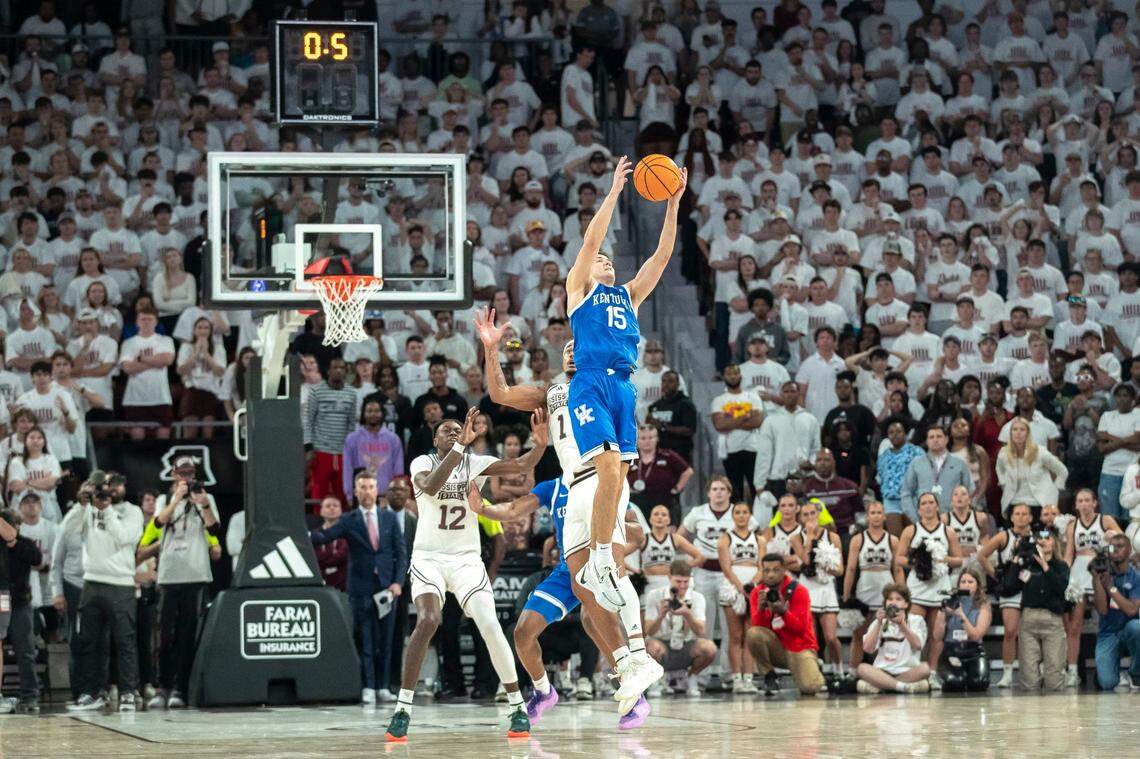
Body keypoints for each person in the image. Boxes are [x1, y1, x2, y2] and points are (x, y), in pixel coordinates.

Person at [475, 312, 664, 707]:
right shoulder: (552, 390)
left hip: (602, 476)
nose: (574, 352)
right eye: (568, 348)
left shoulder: (605, 383)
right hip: (573, 484)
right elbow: (500, 394)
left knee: (609, 568)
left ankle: (636, 655)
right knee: (584, 584)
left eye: (581, 346)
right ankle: (624, 665)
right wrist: (491, 348)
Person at [563, 155, 686, 609]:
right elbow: (592, 238)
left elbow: (662, 257)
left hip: (623, 387)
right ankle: (599, 558)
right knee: (610, 469)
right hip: (591, 381)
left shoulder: (628, 295)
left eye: (609, 260)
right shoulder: (580, 288)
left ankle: (601, 551)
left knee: (619, 478)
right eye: (599, 260)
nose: (605, 261)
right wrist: (614, 191)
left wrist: (672, 206)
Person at [385, 408, 548, 742]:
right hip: (429, 556)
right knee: (429, 620)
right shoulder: (422, 463)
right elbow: (430, 488)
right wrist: (459, 447)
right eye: (446, 430)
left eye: (458, 429)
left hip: (466, 558)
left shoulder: (476, 463)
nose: (454, 433)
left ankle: (517, 705)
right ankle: (403, 709)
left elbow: (522, 465)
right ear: (434, 439)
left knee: (489, 623)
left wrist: (541, 445)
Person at [470, 479, 650, 728]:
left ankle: (636, 697)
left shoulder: (606, 480)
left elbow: (639, 534)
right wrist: (483, 509)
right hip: (566, 572)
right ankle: (544, 691)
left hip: (596, 568)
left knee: (593, 623)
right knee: (522, 632)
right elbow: (512, 510)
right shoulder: (553, 487)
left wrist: (607, 521)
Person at [312, 471, 408, 706]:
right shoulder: (349, 519)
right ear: (355, 492)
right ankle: (368, 685)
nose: (367, 491)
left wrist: (398, 582)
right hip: (361, 588)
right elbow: (324, 536)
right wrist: (299, 533)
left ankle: (384, 686)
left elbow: (401, 553)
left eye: (371, 487)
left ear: (377, 490)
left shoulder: (389, 518)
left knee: (386, 641)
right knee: (365, 639)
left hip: (387, 589)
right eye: (363, 487)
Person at [140, 458, 222, 710]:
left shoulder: (204, 498)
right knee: (164, 635)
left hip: (195, 574)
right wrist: (176, 499)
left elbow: (214, 528)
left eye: (190, 474)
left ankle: (180, 688)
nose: (186, 478)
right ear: (174, 475)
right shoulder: (165, 501)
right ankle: (162, 686)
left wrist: (203, 503)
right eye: (182, 474)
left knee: (187, 636)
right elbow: (156, 524)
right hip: (169, 575)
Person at [65, 471, 145, 712]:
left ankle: (128, 692)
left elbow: (124, 538)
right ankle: (91, 692)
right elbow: (68, 532)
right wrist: (81, 506)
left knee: (125, 641)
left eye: (116, 485)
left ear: (123, 488)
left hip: (120, 583)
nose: (110, 490)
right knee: (89, 641)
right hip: (92, 581)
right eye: (106, 485)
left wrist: (106, 510)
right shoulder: (88, 508)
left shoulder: (133, 512)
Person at [893, 491, 962, 685]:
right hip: (918, 588)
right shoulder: (910, 530)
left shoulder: (948, 531)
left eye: (931, 502)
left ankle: (931, 673)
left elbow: (958, 560)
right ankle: (912, 671)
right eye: (924, 503)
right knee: (913, 630)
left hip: (940, 587)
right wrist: (917, 561)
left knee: (936, 634)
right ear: (919, 508)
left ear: (938, 506)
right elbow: (898, 558)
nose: (928, 506)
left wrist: (941, 559)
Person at [1062, 489, 1122, 686]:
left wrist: (1111, 541)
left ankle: (1112, 668)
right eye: (1080, 500)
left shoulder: (1105, 520)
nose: (1084, 504)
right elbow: (1069, 554)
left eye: (1088, 500)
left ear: (1095, 503)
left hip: (1100, 569)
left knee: (1106, 622)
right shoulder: (1073, 526)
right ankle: (1072, 671)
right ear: (1076, 505)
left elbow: (1122, 545)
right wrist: (1063, 575)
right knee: (1075, 624)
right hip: (1079, 572)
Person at [746, 553, 825, 696]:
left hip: (799, 646)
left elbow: (800, 629)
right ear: (761, 572)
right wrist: (761, 609)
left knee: (810, 688)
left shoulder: (799, 591)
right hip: (777, 648)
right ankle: (769, 675)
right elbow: (758, 627)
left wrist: (783, 612)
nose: (770, 575)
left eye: (775, 570)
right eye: (766, 571)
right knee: (753, 633)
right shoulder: (757, 593)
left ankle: (814, 665)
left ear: (784, 570)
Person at [643, 559, 717, 697]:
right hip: (662, 645)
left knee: (709, 648)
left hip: (686, 645)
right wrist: (661, 615)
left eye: (686, 582)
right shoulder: (655, 595)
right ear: (669, 577)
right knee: (649, 647)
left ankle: (692, 677)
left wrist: (687, 614)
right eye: (678, 581)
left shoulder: (697, 597)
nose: (682, 586)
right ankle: (656, 680)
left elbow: (701, 632)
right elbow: (649, 631)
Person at [716, 502, 764, 693]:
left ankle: (749, 678)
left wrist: (751, 586)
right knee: (735, 636)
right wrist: (740, 588)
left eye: (745, 512)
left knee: (750, 636)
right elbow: (726, 568)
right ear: (733, 515)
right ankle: (737, 679)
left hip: (752, 588)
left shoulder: (759, 540)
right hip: (732, 588)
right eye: (738, 512)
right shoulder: (725, 539)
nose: (742, 516)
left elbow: (762, 567)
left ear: (750, 515)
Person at [792, 499, 844, 675]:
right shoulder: (796, 538)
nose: (809, 518)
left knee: (831, 637)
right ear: (800, 518)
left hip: (826, 588)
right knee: (810, 637)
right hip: (807, 588)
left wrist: (826, 565)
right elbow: (806, 561)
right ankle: (813, 673)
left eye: (812, 513)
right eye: (805, 515)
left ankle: (839, 671)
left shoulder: (833, 537)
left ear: (818, 514)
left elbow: (840, 570)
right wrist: (810, 537)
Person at [843, 501, 897, 671]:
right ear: (867, 516)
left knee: (886, 633)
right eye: (872, 513)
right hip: (864, 589)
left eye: (879, 512)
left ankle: (884, 671)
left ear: (884, 516)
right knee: (859, 633)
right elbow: (851, 569)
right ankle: (853, 671)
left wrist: (903, 596)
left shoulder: (893, 540)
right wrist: (846, 596)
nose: (875, 516)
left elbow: (898, 570)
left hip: (886, 588)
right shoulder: (858, 539)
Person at [0, 507, 44, 713]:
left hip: (20, 603)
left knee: (25, 651)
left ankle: (30, 695)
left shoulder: (24, 544)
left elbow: (37, 559)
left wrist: (15, 543)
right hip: (2, 600)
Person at [1016, 527, 1069, 691]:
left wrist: (1045, 566)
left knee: (1054, 680)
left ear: (1054, 542)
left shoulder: (1061, 566)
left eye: (1048, 538)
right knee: (1029, 680)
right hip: (1028, 620)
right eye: (1040, 538)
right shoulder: (1027, 565)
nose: (1044, 541)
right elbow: (1010, 586)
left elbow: (1061, 587)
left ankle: (1055, 715)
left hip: (1052, 619)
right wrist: (1016, 558)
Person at [855, 584, 932, 694]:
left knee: (925, 668)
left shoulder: (916, 620)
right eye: (890, 599)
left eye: (898, 599)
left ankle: (883, 686)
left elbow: (918, 645)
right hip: (882, 672)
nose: (893, 602)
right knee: (862, 668)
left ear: (906, 604)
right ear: (885, 603)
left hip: (907, 672)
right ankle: (903, 687)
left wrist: (902, 625)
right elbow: (867, 649)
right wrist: (878, 623)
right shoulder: (879, 621)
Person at [305, 358, 359, 506]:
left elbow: (351, 424)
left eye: (342, 368)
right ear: (328, 371)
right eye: (335, 367)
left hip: (343, 452)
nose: (338, 371)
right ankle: (318, 524)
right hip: (321, 450)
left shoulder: (352, 393)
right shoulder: (316, 391)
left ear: (346, 372)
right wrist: (309, 448)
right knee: (319, 492)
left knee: (343, 492)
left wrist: (350, 450)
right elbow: (308, 421)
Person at [1091, 530, 1140, 690]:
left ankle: (1135, 673)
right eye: (1112, 547)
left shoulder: (1136, 576)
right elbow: (1102, 611)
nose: (1116, 550)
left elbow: (1132, 610)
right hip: (1108, 633)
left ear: (1129, 550)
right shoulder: (1103, 571)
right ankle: (1114, 671)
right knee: (1107, 683)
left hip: (1129, 629)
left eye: (1120, 546)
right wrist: (1097, 581)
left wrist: (1111, 588)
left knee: (1137, 627)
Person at [995, 417, 1068, 518]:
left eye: (1022, 429)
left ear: (1028, 433)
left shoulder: (1040, 452)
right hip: (1014, 503)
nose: (1018, 433)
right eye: (1015, 429)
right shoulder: (1003, 453)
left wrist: (1056, 489)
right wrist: (1004, 484)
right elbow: (1000, 469)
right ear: (1010, 433)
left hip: (1039, 505)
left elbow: (1062, 471)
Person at [935, 566, 992, 692]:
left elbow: (976, 636)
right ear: (958, 585)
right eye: (963, 582)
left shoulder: (983, 606)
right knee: (955, 682)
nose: (966, 585)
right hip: (952, 649)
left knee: (979, 683)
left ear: (977, 585)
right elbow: (937, 636)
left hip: (974, 650)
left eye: (970, 582)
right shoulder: (950, 602)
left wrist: (961, 615)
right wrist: (943, 614)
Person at [900, 425, 973, 519]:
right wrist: (915, 519)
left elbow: (969, 490)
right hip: (924, 521)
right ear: (926, 441)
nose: (935, 440)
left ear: (946, 439)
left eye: (939, 436)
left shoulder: (959, 463)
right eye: (931, 437)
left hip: (954, 520)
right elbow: (906, 493)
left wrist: (962, 517)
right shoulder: (916, 463)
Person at [627, 423, 693, 523]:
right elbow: (620, 474)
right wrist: (628, 489)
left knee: (666, 536)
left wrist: (677, 488)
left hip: (664, 501)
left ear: (657, 438)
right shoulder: (630, 458)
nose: (647, 441)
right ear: (636, 440)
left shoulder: (667, 455)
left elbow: (688, 471)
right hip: (638, 502)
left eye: (651, 437)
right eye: (643, 438)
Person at [342, 399, 405, 499]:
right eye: (369, 411)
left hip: (387, 495)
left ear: (382, 413)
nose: (373, 414)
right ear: (363, 414)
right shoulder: (352, 439)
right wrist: (349, 494)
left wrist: (396, 494)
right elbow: (347, 468)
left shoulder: (393, 439)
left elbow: (398, 470)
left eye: (376, 411)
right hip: (361, 495)